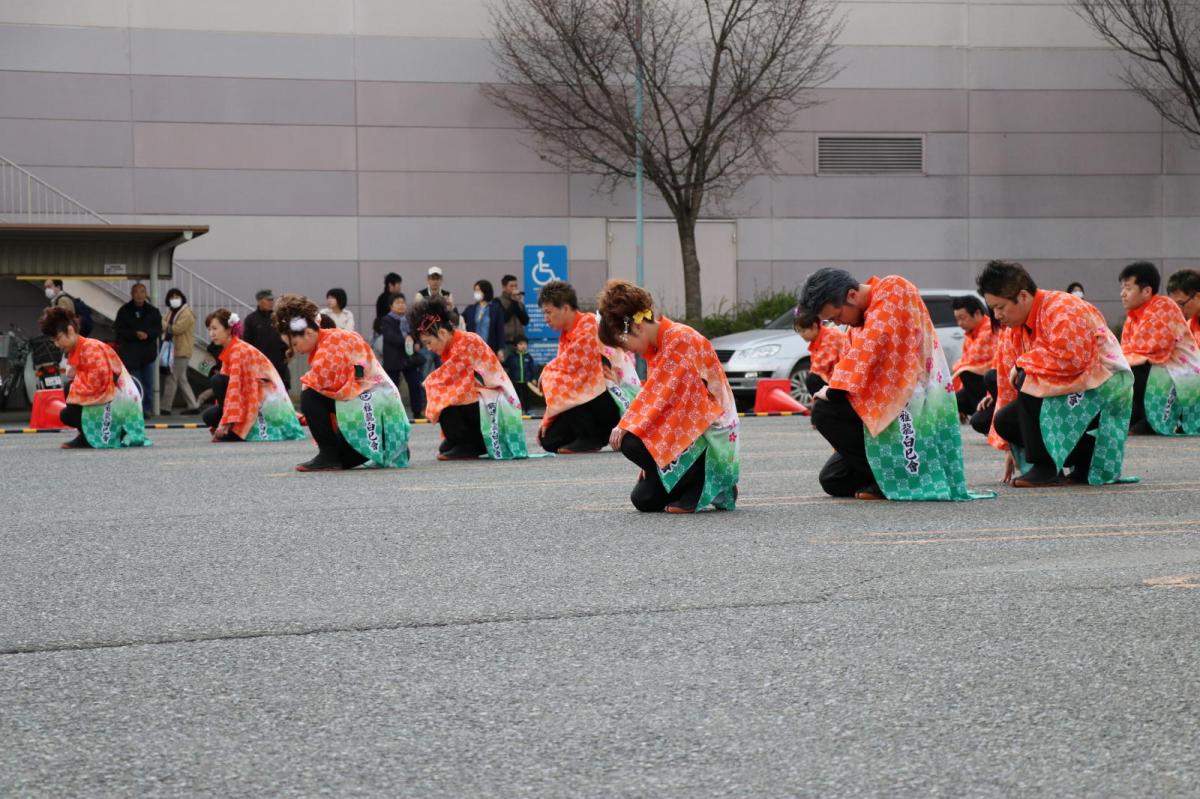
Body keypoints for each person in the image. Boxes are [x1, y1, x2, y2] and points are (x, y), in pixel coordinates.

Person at [797, 268, 984, 501]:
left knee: (824, 410)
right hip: (878, 407)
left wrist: (835, 388)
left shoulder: (894, 288)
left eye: (836, 316)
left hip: (911, 406)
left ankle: (892, 478)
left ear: (852, 295)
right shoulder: (856, 325)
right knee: (833, 479)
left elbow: (876, 341)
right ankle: (886, 477)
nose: (837, 323)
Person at [979, 260, 1134, 487]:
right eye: (993, 308)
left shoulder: (1063, 308)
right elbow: (1005, 384)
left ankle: (1046, 468)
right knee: (1005, 421)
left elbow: (1073, 359)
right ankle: (1087, 458)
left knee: (1027, 377)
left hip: (1103, 386)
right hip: (1075, 385)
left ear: (1022, 296)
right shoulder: (1014, 328)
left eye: (1000, 307)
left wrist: (1024, 364)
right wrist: (1012, 447)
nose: (997, 315)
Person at [598, 280, 739, 513]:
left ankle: (706, 482)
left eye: (623, 342)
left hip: (708, 433)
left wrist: (631, 427)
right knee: (643, 499)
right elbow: (660, 397)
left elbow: (666, 399)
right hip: (689, 429)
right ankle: (701, 485)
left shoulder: (681, 339)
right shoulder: (657, 347)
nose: (626, 351)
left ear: (637, 326)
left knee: (631, 440)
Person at [273, 294, 410, 471]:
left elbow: (322, 382)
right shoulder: (329, 340)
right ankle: (386, 446)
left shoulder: (334, 342)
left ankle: (330, 456)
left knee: (309, 394)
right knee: (342, 457)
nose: (293, 350)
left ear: (308, 333)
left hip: (376, 413)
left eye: (294, 343)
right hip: (372, 413)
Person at [411, 295, 528, 461]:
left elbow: (454, 383)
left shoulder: (467, 342)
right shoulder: (454, 344)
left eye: (429, 342)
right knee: (446, 444)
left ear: (442, 333)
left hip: (495, 404)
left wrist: (429, 385)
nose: (429, 348)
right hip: (483, 400)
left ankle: (471, 444)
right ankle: (470, 441)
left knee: (445, 396)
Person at [535, 281, 639, 454]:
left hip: (610, 400)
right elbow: (562, 369)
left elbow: (572, 371)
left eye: (548, 312)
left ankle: (593, 437)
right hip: (589, 400)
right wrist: (547, 419)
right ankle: (590, 434)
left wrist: (546, 372)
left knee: (564, 379)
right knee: (549, 440)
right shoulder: (565, 335)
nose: (546, 318)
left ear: (565, 308)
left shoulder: (588, 324)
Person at [37, 306, 148, 449]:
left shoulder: (91, 348)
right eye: (54, 341)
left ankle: (96, 435)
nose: (57, 344)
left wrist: (76, 378)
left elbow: (100, 383)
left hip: (120, 405)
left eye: (58, 338)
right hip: (115, 400)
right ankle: (86, 435)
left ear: (70, 330)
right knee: (69, 399)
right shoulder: (81, 348)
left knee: (68, 406)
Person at [1118, 261, 1200, 436]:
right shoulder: (1133, 317)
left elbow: (1149, 351)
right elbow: (1126, 350)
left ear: (1146, 291)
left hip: (1186, 375)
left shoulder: (1163, 307)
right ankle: (1140, 418)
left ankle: (1150, 420)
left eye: (1128, 288)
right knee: (1125, 370)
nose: (1122, 294)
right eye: (1122, 288)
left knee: (1135, 369)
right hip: (1168, 370)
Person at [201, 309, 305, 443]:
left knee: (218, 381)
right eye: (209, 329)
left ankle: (235, 430)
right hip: (250, 396)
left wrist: (225, 423)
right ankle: (232, 427)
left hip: (262, 400)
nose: (211, 333)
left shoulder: (238, 350)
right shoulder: (232, 348)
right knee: (209, 415)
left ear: (228, 329)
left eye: (215, 328)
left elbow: (234, 389)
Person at [113, 282, 161, 415]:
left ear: (146, 294)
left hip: (148, 354)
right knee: (134, 384)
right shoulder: (124, 311)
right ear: (132, 294)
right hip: (131, 355)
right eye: (136, 292)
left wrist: (147, 334)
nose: (139, 295)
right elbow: (119, 331)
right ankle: (136, 409)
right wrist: (135, 334)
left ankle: (147, 409)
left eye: (142, 292)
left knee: (148, 383)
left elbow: (158, 329)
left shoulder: (153, 311)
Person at [950, 295, 997, 420]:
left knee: (966, 373)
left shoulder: (989, 330)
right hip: (976, 383)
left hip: (992, 383)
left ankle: (986, 415)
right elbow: (966, 363)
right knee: (953, 401)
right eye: (957, 319)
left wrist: (960, 368)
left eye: (962, 318)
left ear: (977, 313)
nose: (960, 323)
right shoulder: (970, 334)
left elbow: (971, 363)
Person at [379, 293, 426, 418]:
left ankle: (417, 411)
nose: (401, 305)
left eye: (403, 302)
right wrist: (408, 342)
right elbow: (390, 337)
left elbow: (417, 334)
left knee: (415, 384)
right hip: (393, 359)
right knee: (391, 387)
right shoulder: (386, 320)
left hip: (410, 358)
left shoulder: (410, 319)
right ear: (391, 306)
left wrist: (417, 343)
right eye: (397, 303)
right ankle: (390, 413)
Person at [792, 309, 850, 399]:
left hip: (846, 381)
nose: (801, 335)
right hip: (837, 381)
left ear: (814, 326)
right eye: (798, 331)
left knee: (812, 379)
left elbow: (820, 368)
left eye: (803, 331)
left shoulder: (831, 336)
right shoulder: (817, 341)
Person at [159, 288, 200, 414]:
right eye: (172, 297)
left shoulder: (186, 313)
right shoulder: (172, 311)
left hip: (181, 350)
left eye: (177, 297)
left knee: (172, 378)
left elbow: (176, 329)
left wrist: (161, 322)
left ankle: (165, 407)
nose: (174, 299)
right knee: (181, 378)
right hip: (174, 349)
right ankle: (193, 406)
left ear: (182, 298)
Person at [241, 290, 290, 390]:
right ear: (259, 301)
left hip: (279, 364)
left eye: (272, 300)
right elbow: (246, 343)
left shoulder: (278, 317)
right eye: (268, 300)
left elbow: (286, 337)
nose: (271, 302)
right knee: (263, 393)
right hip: (259, 365)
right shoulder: (251, 319)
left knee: (281, 393)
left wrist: (288, 352)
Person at [463, 279, 507, 353]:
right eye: (475, 290)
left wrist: (501, 348)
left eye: (478, 290)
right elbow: (459, 320)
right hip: (473, 348)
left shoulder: (496, 309)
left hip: (490, 348)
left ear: (485, 291)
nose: (476, 293)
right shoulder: (470, 309)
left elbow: (500, 330)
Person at [503, 336, 539, 411]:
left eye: (525, 344)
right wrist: (500, 361)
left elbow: (533, 369)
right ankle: (516, 410)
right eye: (520, 344)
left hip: (527, 382)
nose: (523, 346)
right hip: (515, 381)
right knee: (515, 397)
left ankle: (528, 410)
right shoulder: (511, 357)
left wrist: (534, 378)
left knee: (527, 396)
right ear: (516, 346)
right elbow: (505, 366)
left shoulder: (529, 357)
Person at [1166, 268, 1200, 348]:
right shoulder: (1189, 325)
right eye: (1175, 305)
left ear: (1198, 297)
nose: (1179, 310)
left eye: (1181, 304)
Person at [498, 274, 529, 354]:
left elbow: (525, 321)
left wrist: (516, 303)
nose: (514, 288)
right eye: (511, 286)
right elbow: (504, 318)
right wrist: (514, 302)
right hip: (505, 343)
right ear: (504, 287)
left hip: (519, 343)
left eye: (516, 286)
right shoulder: (498, 301)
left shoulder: (519, 304)